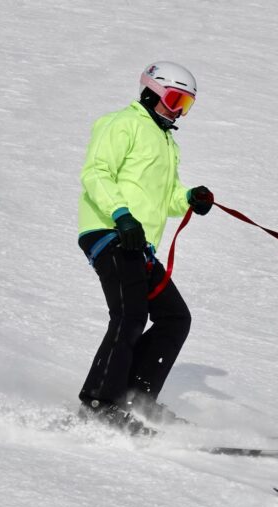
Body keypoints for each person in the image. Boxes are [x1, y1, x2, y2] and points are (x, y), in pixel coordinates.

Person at [76, 61, 215, 433]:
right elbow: (96, 173)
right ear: (152, 91)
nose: (178, 109)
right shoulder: (122, 124)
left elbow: (165, 198)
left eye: (186, 104)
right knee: (130, 315)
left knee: (175, 318)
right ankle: (99, 402)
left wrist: (190, 197)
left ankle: (136, 399)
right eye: (175, 99)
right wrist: (120, 215)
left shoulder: (167, 143)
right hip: (110, 231)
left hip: (140, 244)